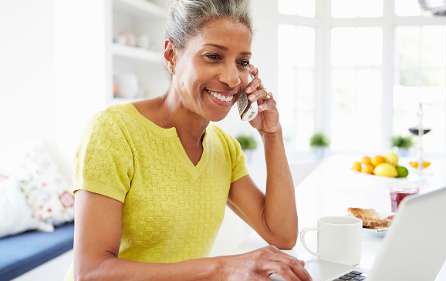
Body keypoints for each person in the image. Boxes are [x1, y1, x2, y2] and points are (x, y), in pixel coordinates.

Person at [68, 0, 312, 280]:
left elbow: (282, 234)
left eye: (242, 62)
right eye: (213, 56)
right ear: (171, 55)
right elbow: (90, 273)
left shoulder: (224, 148)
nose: (233, 79)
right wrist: (224, 267)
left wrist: (272, 135)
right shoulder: (113, 132)